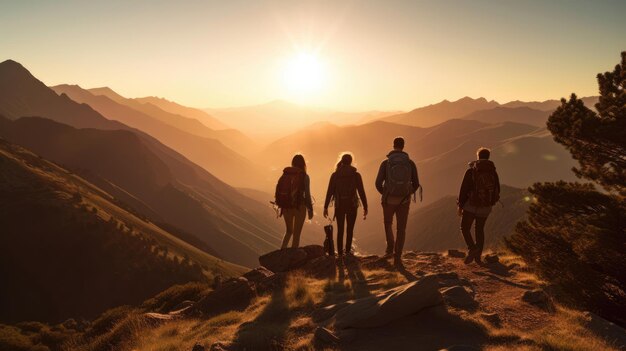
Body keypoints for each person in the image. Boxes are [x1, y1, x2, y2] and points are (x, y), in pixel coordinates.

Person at [375, 137, 419, 268]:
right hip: (404, 201)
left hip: (388, 200)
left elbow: (378, 183)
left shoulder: (386, 163)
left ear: (393, 145)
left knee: (388, 223)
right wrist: (406, 194)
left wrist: (386, 194)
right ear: (403, 146)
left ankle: (390, 248)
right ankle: (398, 257)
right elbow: (416, 184)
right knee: (401, 228)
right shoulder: (410, 163)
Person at [457, 147, 501, 264]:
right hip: (486, 206)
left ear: (478, 156)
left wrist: (461, 205)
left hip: (471, 205)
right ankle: (478, 258)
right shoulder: (493, 171)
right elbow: (498, 189)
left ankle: (472, 248)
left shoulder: (471, 170)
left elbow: (464, 189)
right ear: (488, 157)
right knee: (479, 230)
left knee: (465, 228)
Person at [323, 153, 368, 261]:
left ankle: (339, 253)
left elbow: (329, 192)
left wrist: (325, 207)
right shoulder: (356, 175)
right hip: (352, 204)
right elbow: (361, 192)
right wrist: (365, 206)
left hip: (339, 205)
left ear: (342, 161)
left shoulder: (335, 175)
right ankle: (347, 252)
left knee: (340, 229)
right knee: (350, 229)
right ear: (351, 161)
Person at [275, 154, 313, 249]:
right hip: (300, 206)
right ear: (303, 164)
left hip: (286, 206)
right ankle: (293, 258)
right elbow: (307, 195)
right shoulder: (305, 176)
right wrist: (310, 209)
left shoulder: (285, 174)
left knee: (288, 231)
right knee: (296, 235)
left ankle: (282, 253)